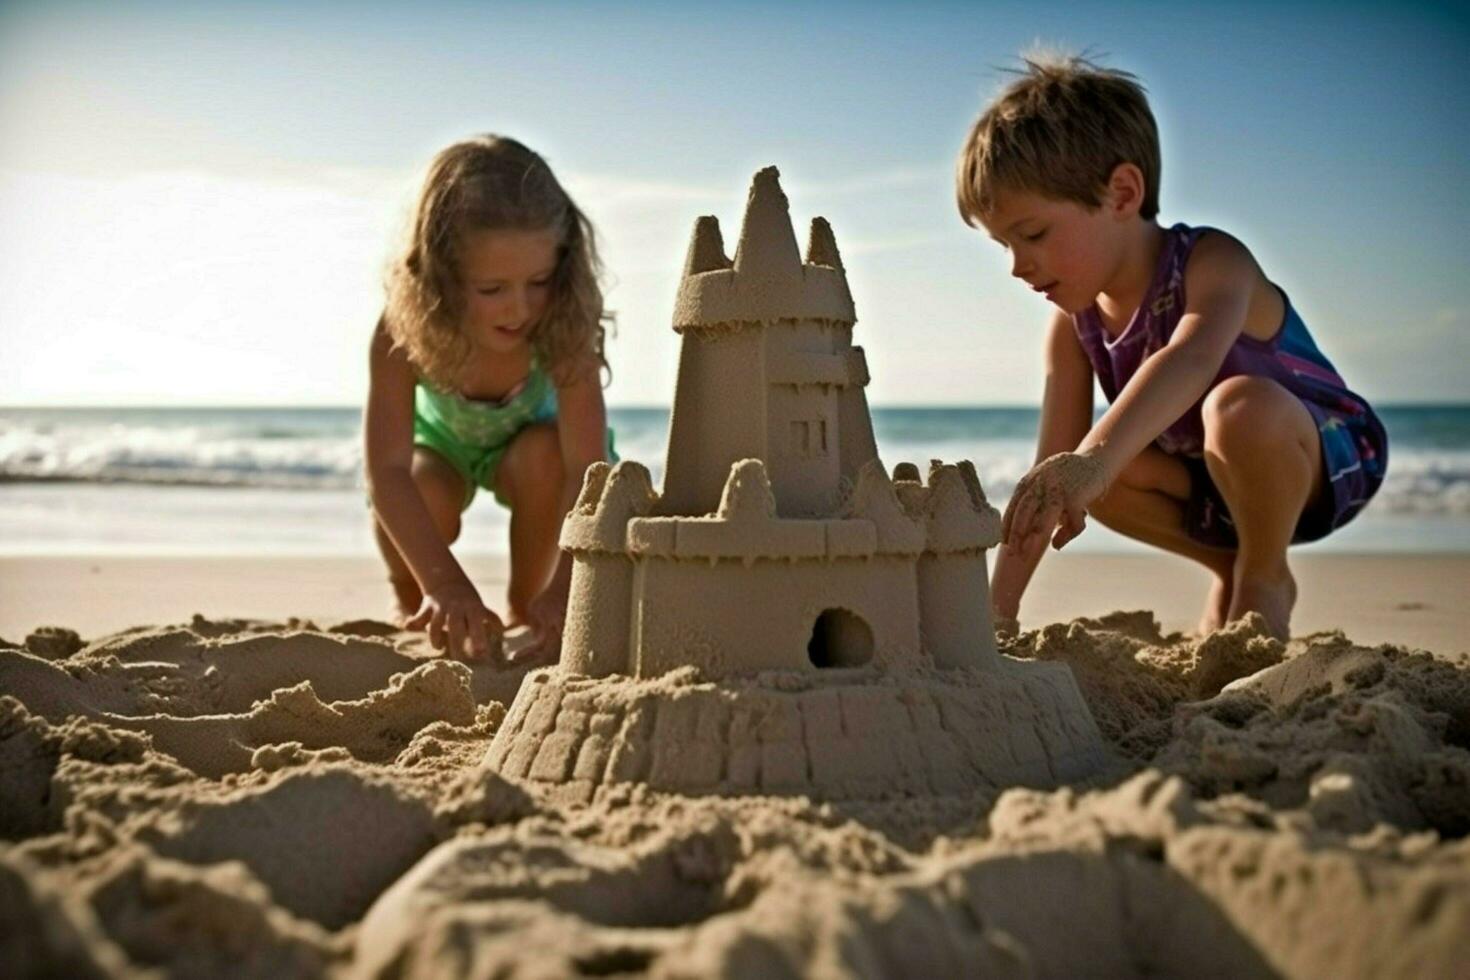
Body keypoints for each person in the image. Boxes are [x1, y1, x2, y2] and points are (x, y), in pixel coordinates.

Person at [954, 54, 1387, 641]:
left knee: (1233, 409)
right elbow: (1049, 472)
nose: (1016, 264)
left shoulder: (1214, 263)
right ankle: (1227, 569)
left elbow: (1190, 357)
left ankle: (1263, 577)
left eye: (1032, 234)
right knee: (1071, 472)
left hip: (1322, 459)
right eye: (1003, 244)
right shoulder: (1074, 327)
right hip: (1209, 486)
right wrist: (993, 618)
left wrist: (1093, 463)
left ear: (1122, 194)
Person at [365, 135, 614, 663]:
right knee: (419, 487)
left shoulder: (564, 326)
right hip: (445, 451)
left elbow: (585, 469)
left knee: (545, 458)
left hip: (534, 462)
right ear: (440, 275)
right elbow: (385, 471)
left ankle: (529, 602)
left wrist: (567, 585)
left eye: (539, 280)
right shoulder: (401, 332)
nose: (519, 308)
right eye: (491, 289)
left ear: (563, 264)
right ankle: (411, 598)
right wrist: (445, 585)